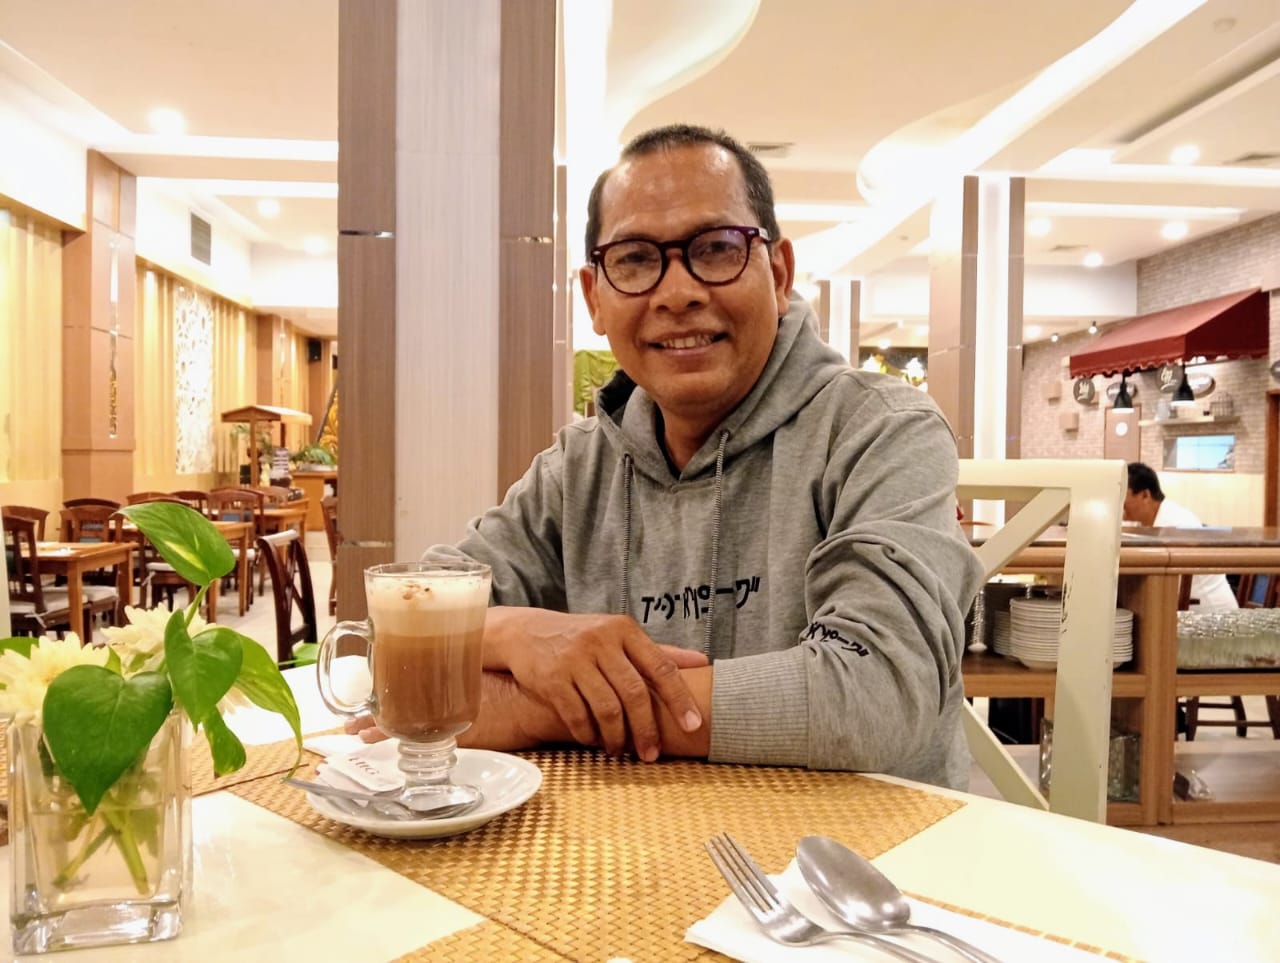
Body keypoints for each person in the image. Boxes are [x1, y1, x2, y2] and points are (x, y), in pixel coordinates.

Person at [353, 124, 984, 789]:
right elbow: (399, 623)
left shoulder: (880, 430)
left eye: (716, 248)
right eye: (634, 259)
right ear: (595, 297)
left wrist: (536, 708)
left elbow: (880, 693)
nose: (677, 292)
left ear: (778, 273)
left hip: (858, 846)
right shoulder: (578, 468)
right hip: (631, 833)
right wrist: (517, 633)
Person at [1123, 462, 1238, 611]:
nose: (1121, 506)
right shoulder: (1149, 521)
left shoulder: (1175, 523)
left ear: (1145, 495)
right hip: (1184, 609)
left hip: (1211, 613)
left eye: (1123, 497)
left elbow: (1167, 583)